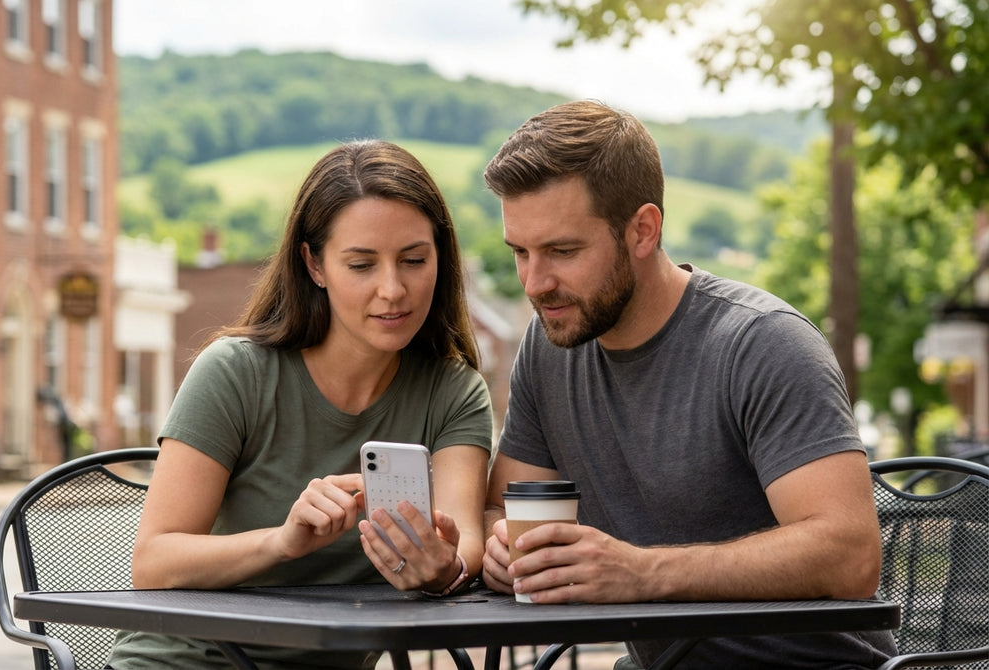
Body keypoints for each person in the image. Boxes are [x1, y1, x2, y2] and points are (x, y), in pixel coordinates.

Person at [479, 100, 897, 669]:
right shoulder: (550, 348)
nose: (535, 282)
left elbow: (850, 555)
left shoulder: (761, 343)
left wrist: (639, 572)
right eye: (520, 253)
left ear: (643, 231)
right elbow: (500, 512)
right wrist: (503, 552)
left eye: (562, 251)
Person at [107, 139, 493, 670]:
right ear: (314, 265)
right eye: (361, 265)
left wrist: (442, 568)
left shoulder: (454, 392)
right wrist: (283, 543)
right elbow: (152, 562)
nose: (393, 289)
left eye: (414, 260)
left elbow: (466, 545)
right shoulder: (235, 372)